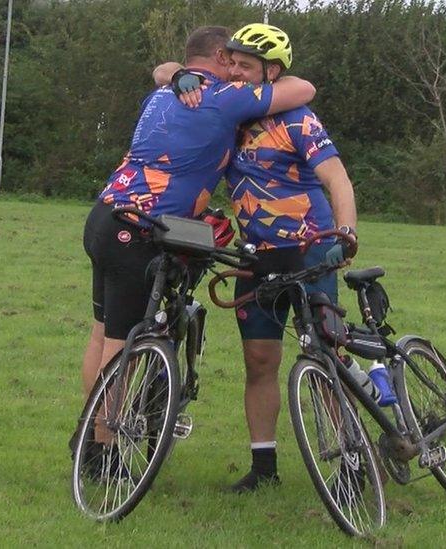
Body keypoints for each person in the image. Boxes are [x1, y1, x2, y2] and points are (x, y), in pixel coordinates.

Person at [74, 26, 318, 464]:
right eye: (235, 61)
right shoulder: (223, 97)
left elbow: (163, 71)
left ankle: (89, 434)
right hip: (139, 228)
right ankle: (101, 453)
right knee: (121, 348)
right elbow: (304, 88)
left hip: (105, 215)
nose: (240, 71)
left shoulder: (162, 94)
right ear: (221, 57)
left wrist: (172, 72)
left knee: (101, 334)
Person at [156, 23, 359, 492]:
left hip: (309, 249)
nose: (236, 74)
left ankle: (351, 460)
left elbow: (338, 180)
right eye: (233, 65)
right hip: (257, 258)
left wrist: (346, 232)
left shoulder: (297, 118)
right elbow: (169, 69)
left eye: (246, 67)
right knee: (260, 361)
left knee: (324, 353)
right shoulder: (227, 113)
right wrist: (177, 76)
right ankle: (263, 467)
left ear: (271, 72)